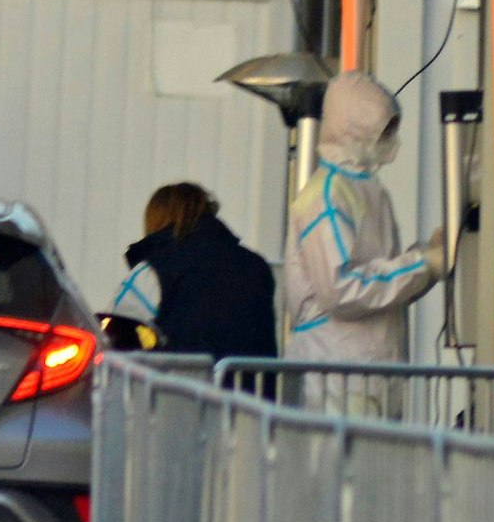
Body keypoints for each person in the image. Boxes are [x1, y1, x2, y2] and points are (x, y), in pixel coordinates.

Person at [281, 71, 448, 363]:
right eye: (384, 130)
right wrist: (422, 264)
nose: (390, 139)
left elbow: (382, 288)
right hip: (335, 364)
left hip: (370, 363)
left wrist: (427, 261)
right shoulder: (326, 196)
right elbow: (342, 290)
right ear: (355, 130)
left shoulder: (365, 190)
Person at [115, 182, 278, 361]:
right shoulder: (256, 266)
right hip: (248, 378)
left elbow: (114, 332)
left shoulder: (154, 270)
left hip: (180, 378)